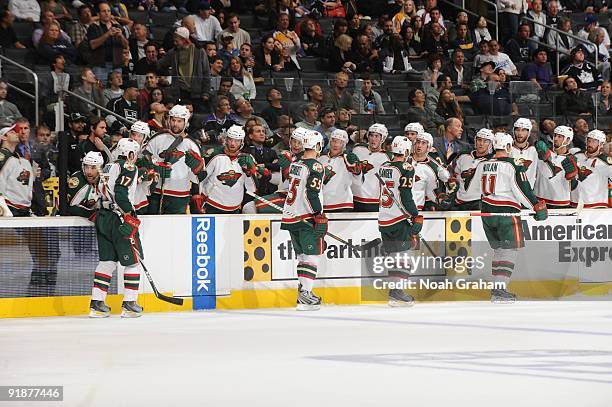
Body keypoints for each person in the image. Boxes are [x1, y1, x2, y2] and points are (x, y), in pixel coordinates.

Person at [466, 132, 547, 303]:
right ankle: (500, 289)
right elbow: (522, 189)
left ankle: (497, 289)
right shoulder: (513, 164)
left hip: (486, 213)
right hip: (506, 213)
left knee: (500, 251)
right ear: (509, 147)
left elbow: (471, 190)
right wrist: (536, 206)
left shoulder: (483, 164)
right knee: (509, 251)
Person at [88, 138, 144, 318]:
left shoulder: (108, 167)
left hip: (103, 216)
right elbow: (120, 193)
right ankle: (129, 304)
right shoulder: (129, 167)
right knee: (133, 262)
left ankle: (97, 304)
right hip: (119, 218)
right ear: (131, 153)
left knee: (107, 262)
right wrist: (129, 214)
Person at [280, 130, 327, 311]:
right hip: (305, 216)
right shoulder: (316, 166)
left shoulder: (296, 164)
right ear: (317, 146)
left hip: (291, 216)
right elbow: (311, 193)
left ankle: (304, 292)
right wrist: (318, 214)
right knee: (312, 257)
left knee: (302, 257)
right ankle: (305, 294)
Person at [377, 135, 421, 306]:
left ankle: (395, 291)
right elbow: (406, 195)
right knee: (403, 255)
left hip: (384, 217)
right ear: (406, 150)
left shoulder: (383, 167)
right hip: (399, 217)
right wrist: (415, 214)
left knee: (394, 256)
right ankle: (397, 291)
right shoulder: (406, 167)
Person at [143, 105, 205, 214]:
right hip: (155, 193)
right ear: (169, 120)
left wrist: (197, 169)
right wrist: (155, 169)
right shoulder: (157, 138)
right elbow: (142, 161)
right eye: (173, 120)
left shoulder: (192, 145)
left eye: (179, 121)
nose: (175, 124)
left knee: (176, 229)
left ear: (185, 122)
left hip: (180, 195)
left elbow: (199, 177)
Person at [192, 125, 257, 214]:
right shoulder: (214, 154)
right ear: (226, 139)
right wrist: (197, 196)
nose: (232, 143)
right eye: (230, 139)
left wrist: (249, 173)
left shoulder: (247, 159)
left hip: (234, 209)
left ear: (242, 142)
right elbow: (201, 178)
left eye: (237, 141)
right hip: (211, 205)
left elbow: (252, 189)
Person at [158, 26, 211, 109]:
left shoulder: (199, 51)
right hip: (180, 92)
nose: (174, 43)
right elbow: (160, 64)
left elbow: (206, 72)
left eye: (176, 41)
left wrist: (206, 93)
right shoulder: (173, 52)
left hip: (197, 93)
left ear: (184, 40)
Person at [112, 121, 153, 214]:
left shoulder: (147, 156)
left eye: (139, 136)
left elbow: (150, 183)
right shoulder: (118, 148)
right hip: (119, 198)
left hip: (139, 200)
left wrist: (148, 176)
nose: (135, 138)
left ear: (145, 138)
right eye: (133, 134)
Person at [534, 125, 579, 208]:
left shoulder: (573, 159)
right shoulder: (543, 152)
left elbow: (573, 187)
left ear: (567, 140)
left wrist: (572, 177)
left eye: (560, 137)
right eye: (555, 135)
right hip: (539, 200)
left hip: (560, 203)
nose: (555, 139)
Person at [352, 123, 392, 211]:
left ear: (383, 138)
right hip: (355, 198)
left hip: (375, 200)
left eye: (377, 136)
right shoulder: (357, 149)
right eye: (371, 135)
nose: (373, 139)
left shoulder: (389, 157)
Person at [319, 129, 361, 212]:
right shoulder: (320, 158)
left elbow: (358, 182)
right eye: (334, 141)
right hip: (322, 204)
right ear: (330, 142)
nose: (336, 144)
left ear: (344, 145)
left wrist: (357, 171)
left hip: (342, 205)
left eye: (340, 142)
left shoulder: (348, 159)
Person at [86, 2, 129, 84]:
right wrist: (107, 34)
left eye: (108, 11)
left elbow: (126, 45)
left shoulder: (118, 26)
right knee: (100, 90)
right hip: (100, 65)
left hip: (116, 65)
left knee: (116, 89)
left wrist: (121, 36)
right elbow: (92, 45)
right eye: (104, 11)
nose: (107, 13)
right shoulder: (93, 27)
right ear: (98, 14)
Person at [453, 128, 494, 210]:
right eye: (479, 140)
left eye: (485, 141)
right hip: (459, 202)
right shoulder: (462, 156)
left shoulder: (493, 161)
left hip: (480, 202)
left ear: (491, 144)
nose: (481, 144)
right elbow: (453, 175)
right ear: (475, 141)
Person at [572, 129, 612, 208]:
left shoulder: (606, 162)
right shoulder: (577, 156)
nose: (590, 143)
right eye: (589, 140)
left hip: (597, 204)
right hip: (575, 202)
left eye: (594, 141)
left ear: (601, 144)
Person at [0, 124, 34, 216]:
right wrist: (3, 207)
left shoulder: (20, 158)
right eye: (12, 132)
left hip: (25, 208)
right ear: (3, 137)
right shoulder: (2, 156)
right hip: (9, 207)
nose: (16, 133)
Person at [241, 122, 279, 196]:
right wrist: (271, 165)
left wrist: (264, 165)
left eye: (263, 132)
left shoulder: (271, 151)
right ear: (251, 136)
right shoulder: (245, 151)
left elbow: (278, 166)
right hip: (253, 190)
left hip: (271, 189)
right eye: (258, 131)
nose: (262, 134)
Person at [67, 151, 103, 219]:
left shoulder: (105, 180)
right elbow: (71, 208)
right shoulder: (77, 180)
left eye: (93, 167)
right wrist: (95, 214)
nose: (89, 172)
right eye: (86, 167)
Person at [510, 117, 539, 189]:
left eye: (523, 130)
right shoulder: (507, 149)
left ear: (529, 132)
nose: (520, 133)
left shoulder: (535, 151)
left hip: (528, 193)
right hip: (510, 194)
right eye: (517, 130)